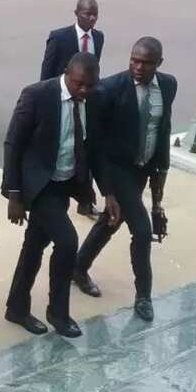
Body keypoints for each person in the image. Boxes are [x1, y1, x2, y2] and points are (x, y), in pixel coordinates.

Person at [2, 53, 120, 338]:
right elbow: (13, 144)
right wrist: (15, 195)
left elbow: (96, 150)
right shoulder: (37, 95)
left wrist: (109, 193)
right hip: (40, 186)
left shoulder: (92, 98)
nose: (84, 91)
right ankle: (58, 312)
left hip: (65, 184)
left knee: (34, 246)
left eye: (89, 86)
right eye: (79, 84)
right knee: (68, 242)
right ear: (66, 73)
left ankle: (16, 307)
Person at [73, 37, 177, 322]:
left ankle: (78, 266)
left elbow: (162, 133)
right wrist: (106, 190)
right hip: (116, 170)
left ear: (159, 63)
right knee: (141, 231)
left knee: (111, 220)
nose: (138, 67)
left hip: (142, 168)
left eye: (145, 62)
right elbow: (97, 146)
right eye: (134, 60)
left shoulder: (168, 86)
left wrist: (158, 199)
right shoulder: (108, 90)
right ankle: (143, 295)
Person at [40, 0, 105, 217]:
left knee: (85, 145)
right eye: (87, 13)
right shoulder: (60, 37)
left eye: (95, 14)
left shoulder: (98, 38)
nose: (92, 18)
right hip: (62, 101)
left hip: (86, 102)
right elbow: (46, 72)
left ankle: (85, 198)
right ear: (76, 13)